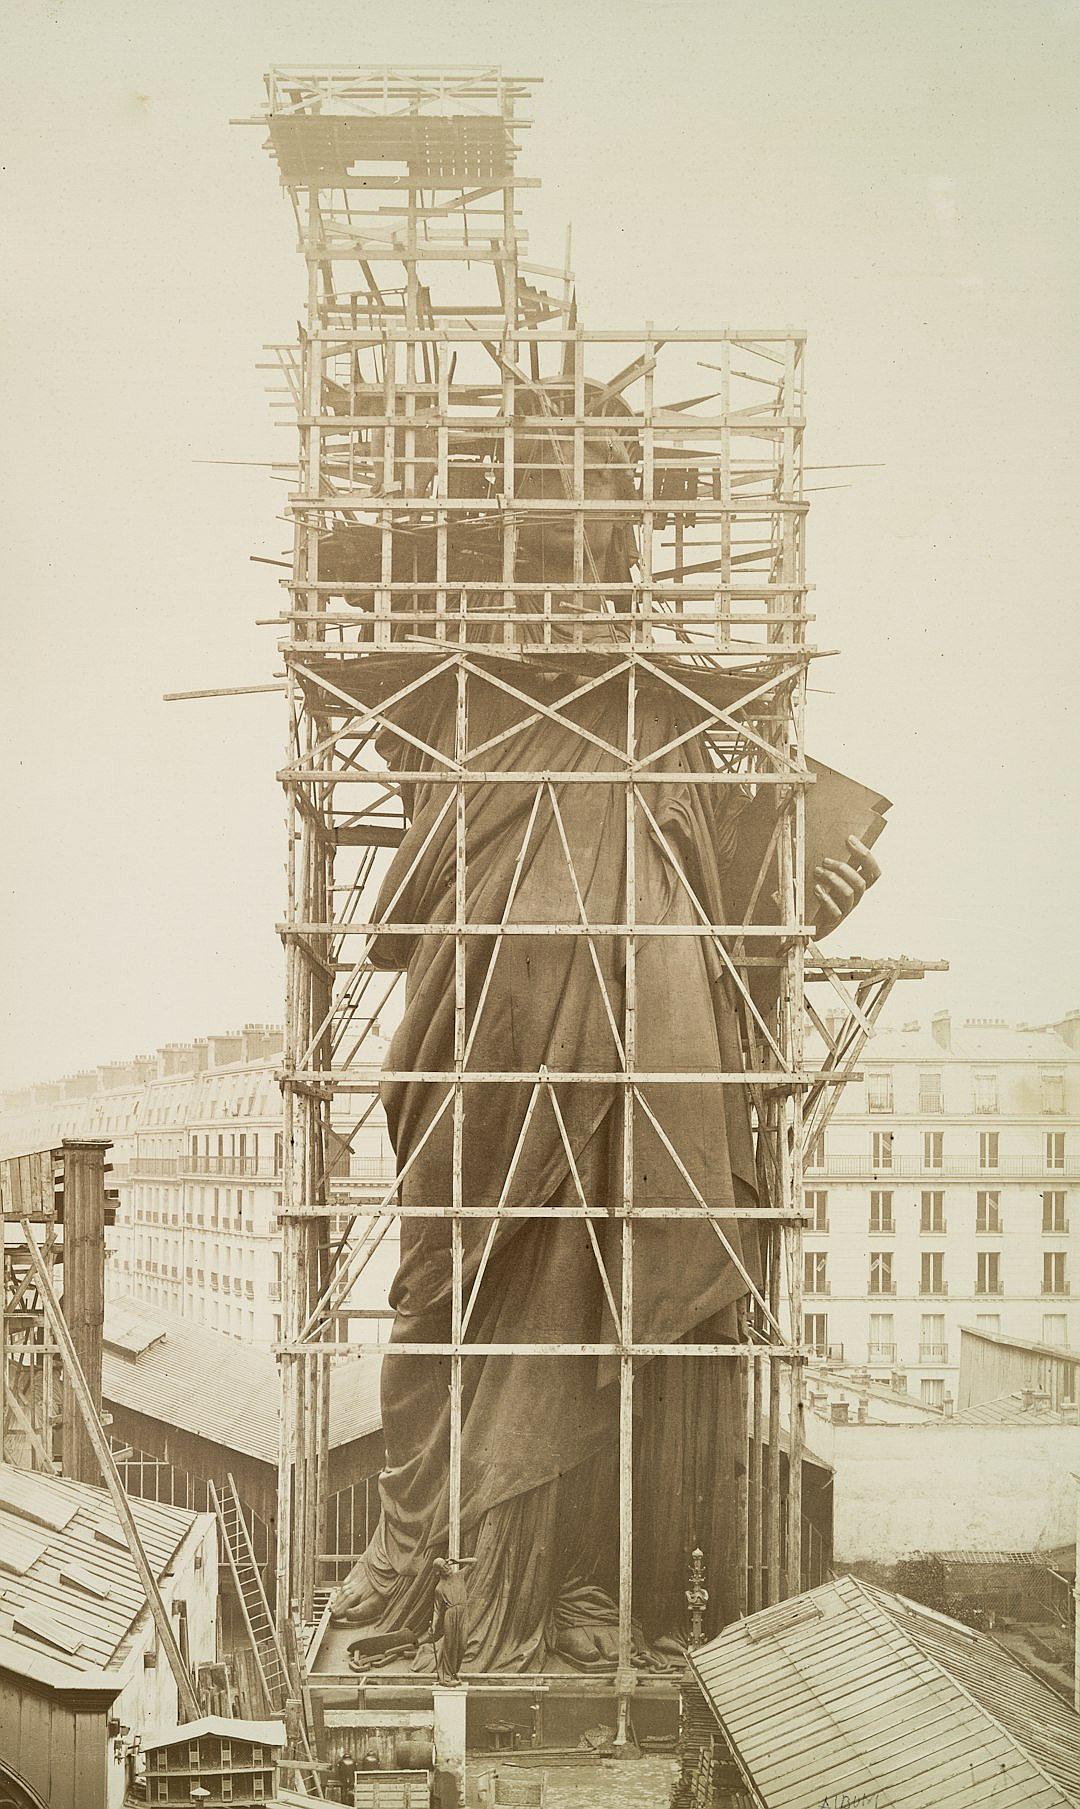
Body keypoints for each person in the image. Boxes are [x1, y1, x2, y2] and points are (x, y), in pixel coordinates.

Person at [328, 377, 879, 1670]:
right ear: (492, 544)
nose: (586, 566)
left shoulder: (661, 714)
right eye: (554, 533)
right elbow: (377, 606)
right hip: (490, 1048)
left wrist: (807, 886)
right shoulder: (451, 693)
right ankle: (454, 1575)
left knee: (616, 1315)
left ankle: (572, 1588)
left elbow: (726, 904)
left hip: (643, 1052)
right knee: (459, 1298)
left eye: (606, 534)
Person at [431, 1559, 469, 1683]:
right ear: (439, 1572)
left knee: (462, 1645)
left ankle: (454, 1672)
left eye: (446, 1564)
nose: (447, 1567)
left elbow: (475, 1561)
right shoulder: (439, 1588)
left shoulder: (459, 1575)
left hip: (463, 1613)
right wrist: (434, 1626)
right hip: (450, 1614)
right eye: (443, 1567)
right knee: (450, 1645)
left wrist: (458, 1561)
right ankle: (447, 1676)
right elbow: (437, 1609)